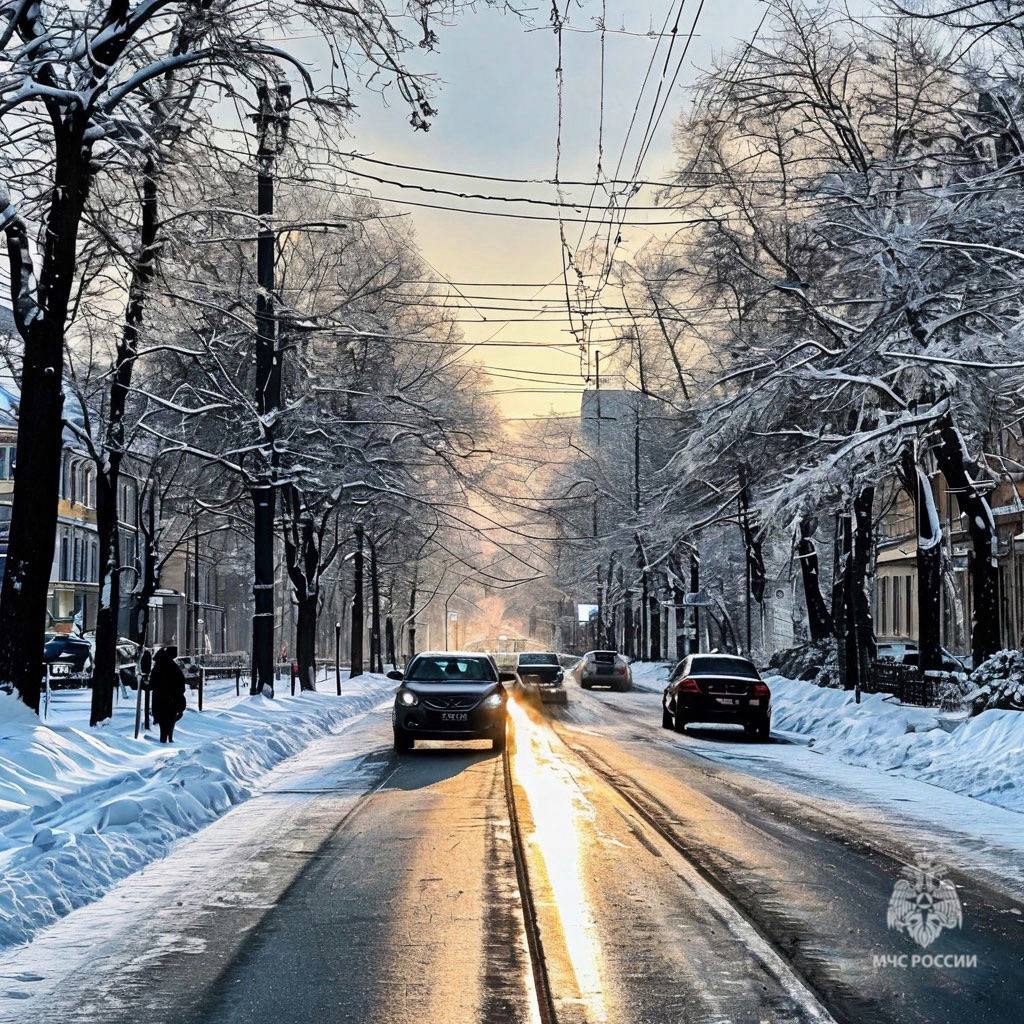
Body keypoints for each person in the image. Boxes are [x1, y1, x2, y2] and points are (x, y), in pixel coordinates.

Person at [150, 646, 187, 743]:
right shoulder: (172, 666)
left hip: (159, 697)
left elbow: (152, 683)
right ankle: (169, 738)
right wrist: (178, 693)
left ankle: (164, 738)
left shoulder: (158, 665)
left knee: (163, 720)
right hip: (171, 698)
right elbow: (180, 681)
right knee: (170, 719)